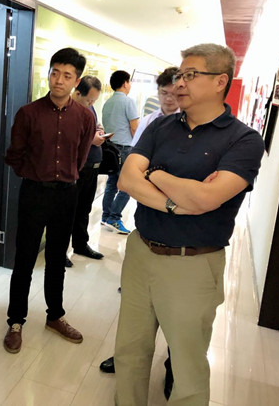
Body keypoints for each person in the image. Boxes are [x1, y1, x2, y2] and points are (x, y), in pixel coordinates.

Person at [114, 44, 264, 405]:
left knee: (188, 367)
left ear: (220, 81)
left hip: (193, 263)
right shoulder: (161, 125)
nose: (179, 83)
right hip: (141, 251)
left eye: (190, 75)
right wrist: (175, 201)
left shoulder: (243, 140)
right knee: (129, 351)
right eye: (179, 75)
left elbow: (205, 200)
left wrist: (155, 173)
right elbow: (127, 180)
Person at [3, 48, 96, 354]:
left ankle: (55, 315)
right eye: (55, 72)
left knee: (57, 258)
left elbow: (81, 157)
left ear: (76, 81)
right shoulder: (28, 113)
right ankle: (16, 321)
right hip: (34, 192)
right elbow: (14, 156)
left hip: (66, 194)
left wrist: (64, 176)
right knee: (25, 259)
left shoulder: (84, 116)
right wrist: (34, 174)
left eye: (67, 75)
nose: (58, 80)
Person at [98, 66, 179, 399]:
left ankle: (175, 366)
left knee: (176, 311)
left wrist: (152, 179)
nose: (169, 99)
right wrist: (167, 189)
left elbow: (201, 192)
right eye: (164, 93)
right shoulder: (149, 123)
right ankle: (127, 358)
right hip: (146, 230)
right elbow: (129, 178)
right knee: (136, 308)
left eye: (175, 93)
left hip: (184, 239)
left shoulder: (199, 131)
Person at [67, 75, 106, 267]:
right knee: (68, 211)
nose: (91, 104)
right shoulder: (68, 110)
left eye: (94, 101)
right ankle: (59, 250)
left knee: (84, 209)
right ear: (77, 93)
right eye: (89, 100)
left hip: (91, 165)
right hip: (75, 168)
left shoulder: (88, 109)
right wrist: (91, 139)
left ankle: (81, 244)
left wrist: (99, 130)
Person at [101, 70, 139, 234]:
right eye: (129, 82)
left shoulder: (108, 102)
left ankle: (105, 216)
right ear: (125, 83)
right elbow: (135, 128)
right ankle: (114, 218)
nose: (130, 85)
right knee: (127, 185)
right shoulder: (128, 102)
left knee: (111, 184)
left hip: (110, 148)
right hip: (124, 149)